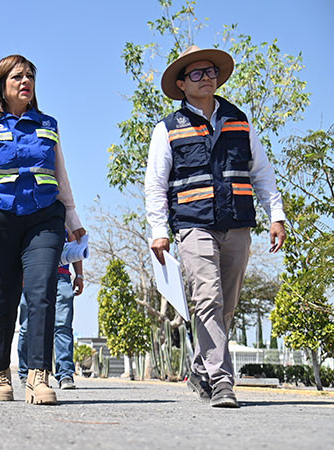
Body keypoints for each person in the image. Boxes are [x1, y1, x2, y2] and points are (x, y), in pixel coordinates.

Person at [145, 46, 287, 408]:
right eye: (196, 73)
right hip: (193, 225)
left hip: (237, 223)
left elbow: (262, 172)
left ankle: (199, 369)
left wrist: (277, 215)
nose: (206, 77)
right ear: (181, 83)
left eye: (210, 71)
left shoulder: (239, 120)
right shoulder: (167, 129)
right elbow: (156, 184)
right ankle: (223, 381)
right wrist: (159, 230)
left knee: (225, 306)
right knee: (206, 298)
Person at [0, 55, 84, 405]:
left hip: (44, 218)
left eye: (29, 76)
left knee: (42, 290)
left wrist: (73, 220)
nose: (24, 81)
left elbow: (60, 176)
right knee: (4, 296)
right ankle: (2, 371)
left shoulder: (48, 125)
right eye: (16, 77)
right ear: (1, 85)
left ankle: (38, 375)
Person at [17, 231, 84, 390]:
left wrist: (79, 275)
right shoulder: (29, 214)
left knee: (63, 326)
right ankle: (26, 373)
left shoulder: (65, 218)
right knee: (27, 326)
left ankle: (65, 374)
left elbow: (75, 242)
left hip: (61, 277)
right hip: (32, 276)